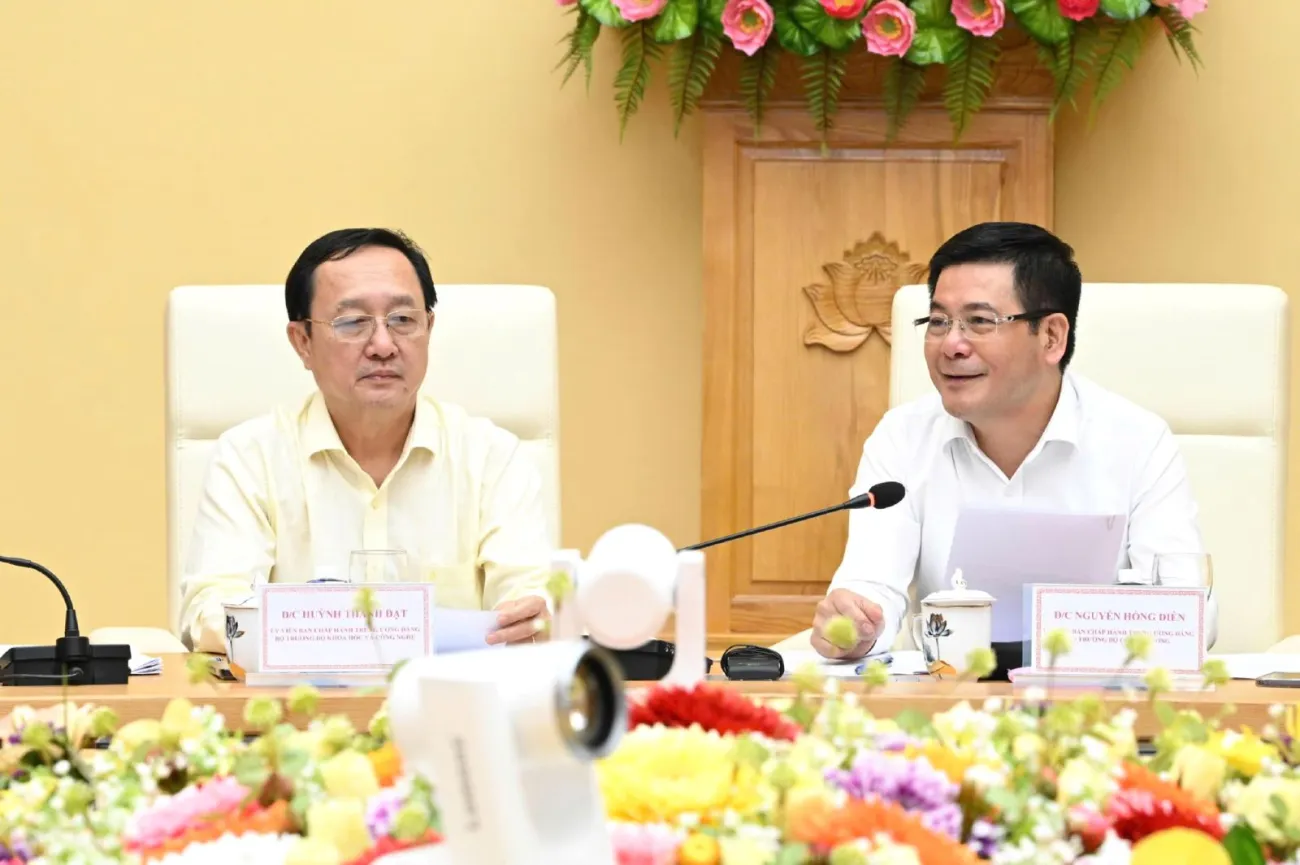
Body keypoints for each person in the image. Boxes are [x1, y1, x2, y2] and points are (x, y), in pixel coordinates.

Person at [809, 221, 1213, 675]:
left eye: (980, 321)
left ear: (1051, 337)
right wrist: (856, 625)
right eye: (939, 322)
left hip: (1093, 700)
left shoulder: (1137, 441)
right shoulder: (902, 437)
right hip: (948, 700)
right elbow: (873, 586)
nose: (951, 345)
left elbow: (1190, 615)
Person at [178, 228, 553, 654]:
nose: (383, 345)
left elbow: (530, 603)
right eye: (352, 322)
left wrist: (533, 617)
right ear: (302, 342)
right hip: (297, 697)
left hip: (450, 695)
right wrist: (345, 634)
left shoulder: (492, 458)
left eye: (403, 320)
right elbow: (213, 613)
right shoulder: (250, 459)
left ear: (429, 328)